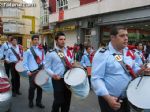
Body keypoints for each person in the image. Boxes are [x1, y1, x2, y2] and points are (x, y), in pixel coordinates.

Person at [91, 25, 150, 112]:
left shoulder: (128, 52)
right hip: (110, 99)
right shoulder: (102, 54)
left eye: (126, 35)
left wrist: (142, 70)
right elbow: (96, 79)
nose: (126, 38)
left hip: (127, 98)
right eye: (122, 36)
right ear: (112, 37)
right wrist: (108, 98)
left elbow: (134, 69)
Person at [44, 32, 74, 112]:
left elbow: (71, 63)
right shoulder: (51, 53)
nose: (63, 41)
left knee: (67, 101)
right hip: (57, 79)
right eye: (61, 39)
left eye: (64, 39)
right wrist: (53, 75)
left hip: (68, 79)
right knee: (58, 101)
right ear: (56, 41)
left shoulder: (68, 52)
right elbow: (46, 67)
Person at [23, 35, 45, 109]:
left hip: (40, 71)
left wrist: (44, 66)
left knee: (40, 88)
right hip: (32, 72)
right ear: (32, 41)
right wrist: (28, 71)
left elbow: (43, 60)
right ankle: (30, 101)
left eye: (37, 39)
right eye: (35, 39)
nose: (36, 41)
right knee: (32, 88)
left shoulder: (41, 50)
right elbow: (25, 63)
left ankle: (38, 102)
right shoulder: (28, 51)